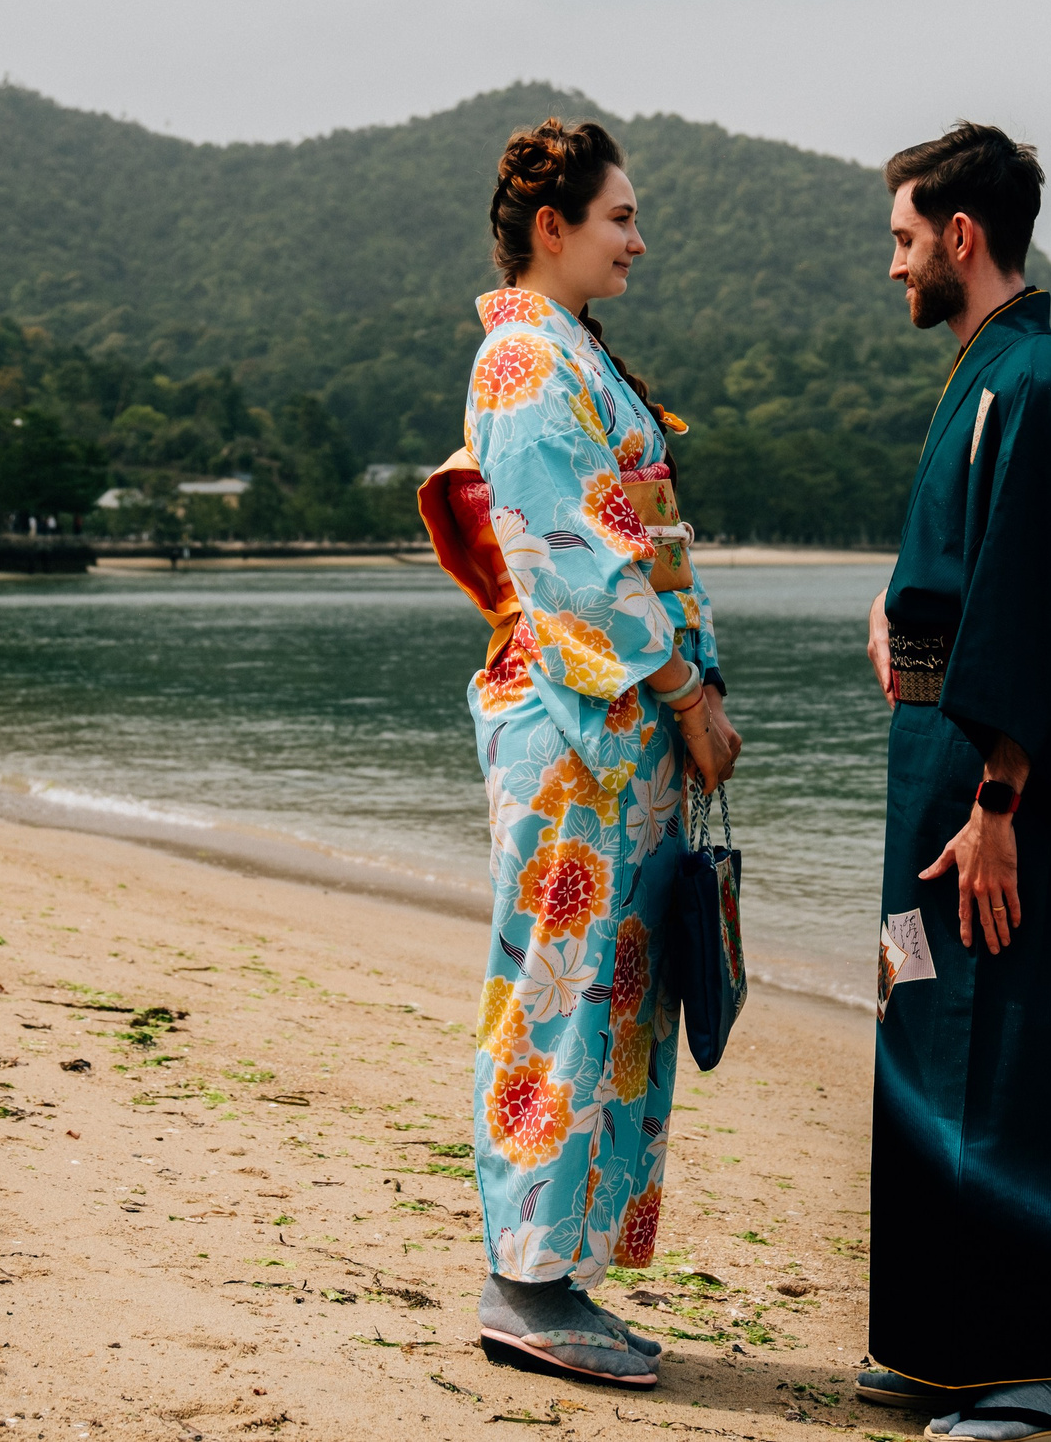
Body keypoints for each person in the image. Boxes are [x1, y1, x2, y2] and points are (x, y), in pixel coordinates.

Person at [418, 118, 742, 1388]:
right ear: (551, 227)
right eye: (618, 217)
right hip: (577, 730)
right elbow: (578, 563)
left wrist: (685, 693)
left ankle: (556, 1277)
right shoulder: (522, 365)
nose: (637, 239)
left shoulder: (569, 354)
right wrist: (686, 694)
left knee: (603, 991)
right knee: (557, 989)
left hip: (610, 733)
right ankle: (523, 1283)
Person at [858, 124, 1051, 1441]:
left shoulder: (1038, 381)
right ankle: (937, 1337)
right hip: (935, 765)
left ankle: (1033, 1358)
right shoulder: (984, 378)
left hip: (984, 790)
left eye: (905, 238)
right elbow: (958, 578)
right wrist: (892, 614)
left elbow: (1040, 601)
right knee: (923, 1016)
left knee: (1001, 1043)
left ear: (963, 236)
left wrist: (1004, 801)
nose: (894, 263)